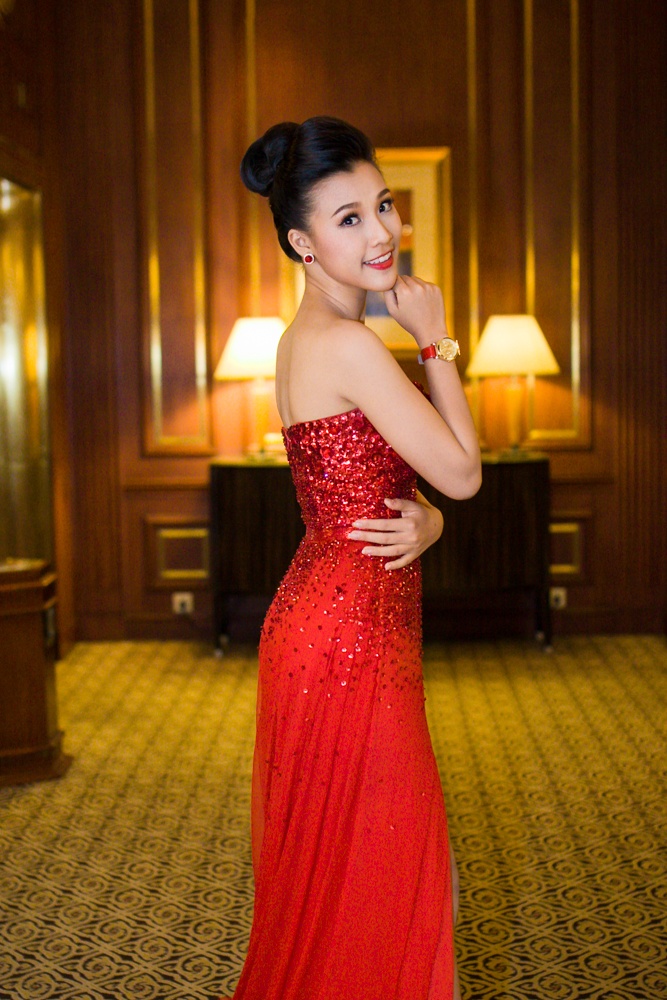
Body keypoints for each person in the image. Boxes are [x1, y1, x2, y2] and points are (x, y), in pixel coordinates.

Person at [223, 116, 481, 1000]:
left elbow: (377, 496)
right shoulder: (348, 345)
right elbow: (462, 473)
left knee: (362, 888)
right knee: (405, 889)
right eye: (347, 218)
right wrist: (435, 338)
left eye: (383, 205)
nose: (379, 232)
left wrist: (429, 524)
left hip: (328, 624)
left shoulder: (303, 337)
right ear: (301, 242)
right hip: (349, 647)